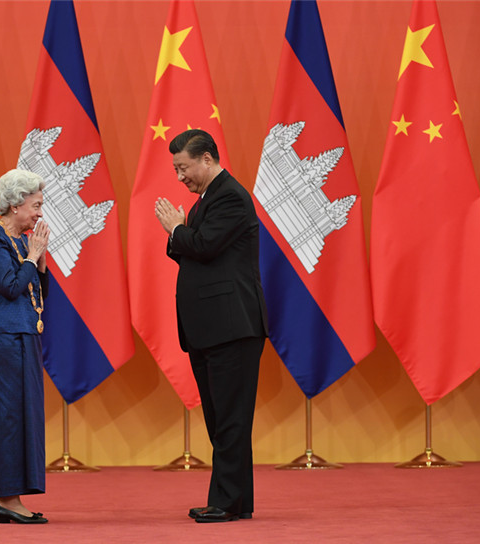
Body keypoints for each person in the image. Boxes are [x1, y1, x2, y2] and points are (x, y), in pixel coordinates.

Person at [154, 129, 269, 523]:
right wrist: (181, 234)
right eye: (175, 169)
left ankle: (227, 501)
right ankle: (233, 500)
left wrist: (176, 229)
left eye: (183, 167)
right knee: (221, 418)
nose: (179, 177)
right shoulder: (207, 200)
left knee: (231, 417)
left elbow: (202, 247)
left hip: (232, 327)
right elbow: (194, 251)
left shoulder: (230, 197)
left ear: (206, 158)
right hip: (212, 328)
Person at [0, 169, 51, 524]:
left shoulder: (20, 241)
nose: (39, 213)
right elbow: (10, 287)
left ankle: (16, 496)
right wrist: (32, 258)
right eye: (35, 206)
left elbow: (37, 294)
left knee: (26, 413)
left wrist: (40, 261)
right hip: (2, 337)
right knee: (7, 415)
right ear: (15, 205)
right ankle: (6, 499)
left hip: (24, 333)